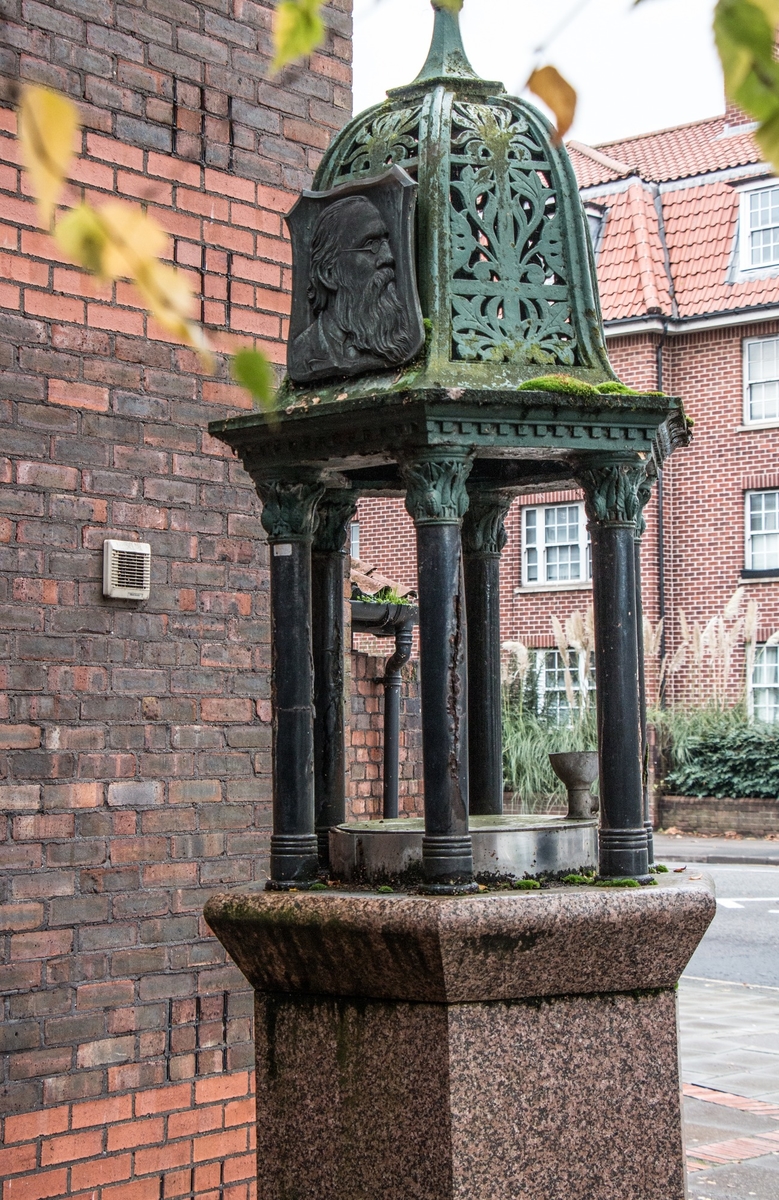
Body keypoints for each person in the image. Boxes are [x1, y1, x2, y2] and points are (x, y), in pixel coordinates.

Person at [288, 194, 417, 383]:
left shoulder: (399, 340)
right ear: (328, 273)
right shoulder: (303, 351)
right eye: (371, 245)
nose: (389, 257)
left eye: (385, 243)